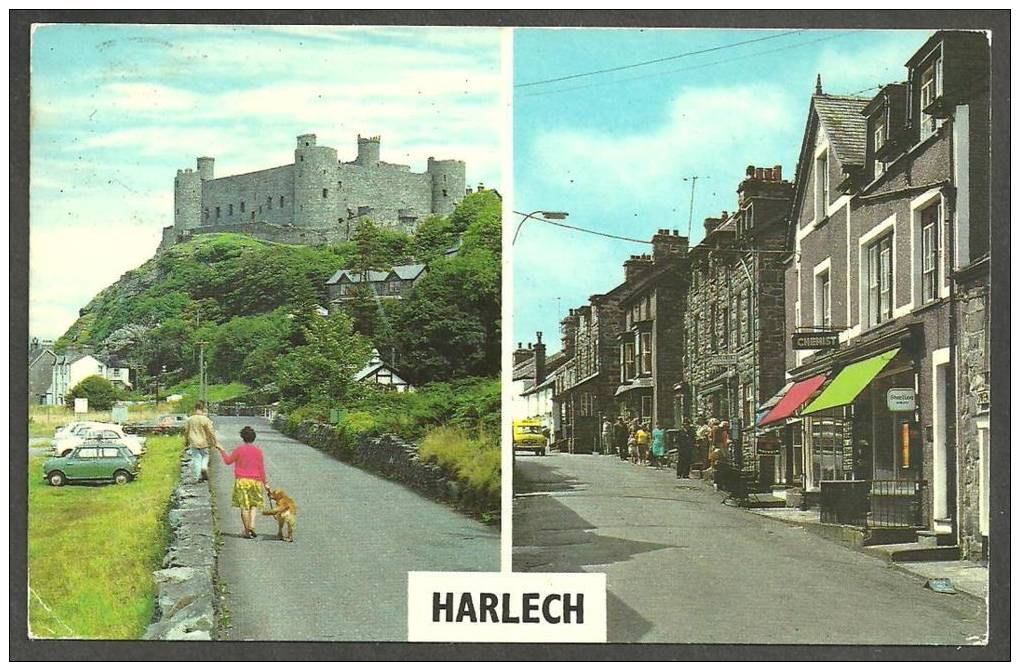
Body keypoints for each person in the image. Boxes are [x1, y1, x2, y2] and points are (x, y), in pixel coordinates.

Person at [216, 425, 268, 539]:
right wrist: (266, 483)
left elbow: (228, 461)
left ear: (242, 437)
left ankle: (247, 531)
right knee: (254, 505)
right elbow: (261, 469)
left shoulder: (238, 450)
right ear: (253, 438)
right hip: (256, 481)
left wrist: (221, 450)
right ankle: (252, 525)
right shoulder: (258, 451)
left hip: (242, 481)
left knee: (244, 506)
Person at [183, 401, 217, 482]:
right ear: (203, 409)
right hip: (204, 442)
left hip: (194, 442)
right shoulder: (205, 419)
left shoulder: (190, 419)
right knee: (205, 456)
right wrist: (214, 441)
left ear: (195, 409)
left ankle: (196, 476)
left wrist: (186, 441)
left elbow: (186, 431)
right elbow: (211, 431)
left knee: (196, 458)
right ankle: (204, 467)